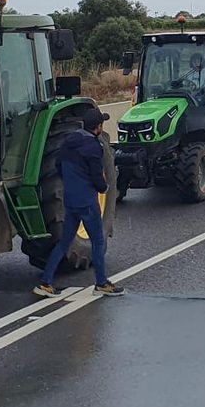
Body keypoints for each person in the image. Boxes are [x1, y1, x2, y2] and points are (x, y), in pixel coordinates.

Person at [34, 107, 123, 297]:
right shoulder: (94, 147)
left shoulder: (67, 143)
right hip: (87, 203)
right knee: (98, 242)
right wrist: (103, 188)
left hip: (70, 202)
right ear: (98, 127)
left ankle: (45, 282)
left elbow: (58, 165)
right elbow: (97, 177)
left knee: (64, 242)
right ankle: (101, 283)